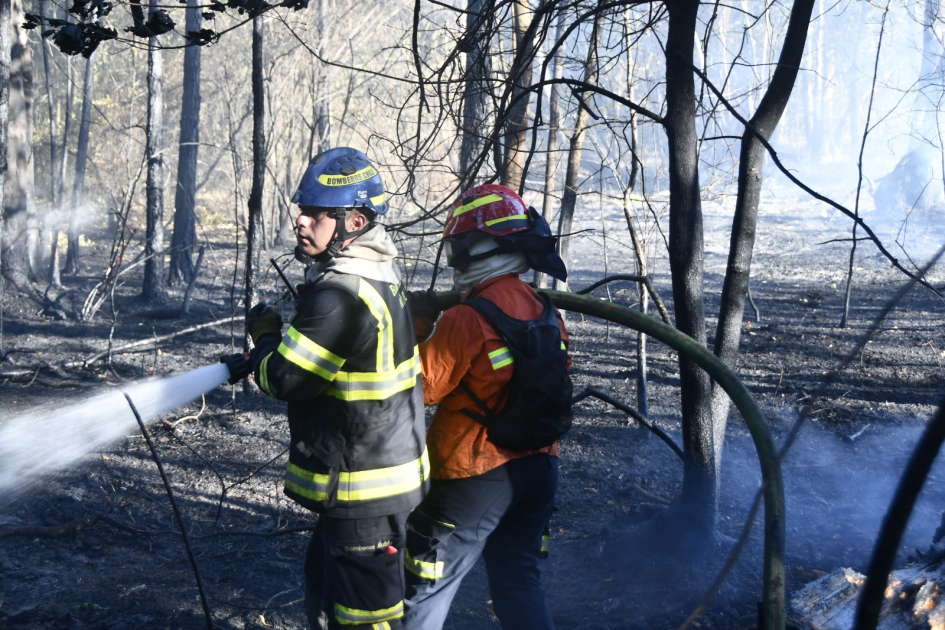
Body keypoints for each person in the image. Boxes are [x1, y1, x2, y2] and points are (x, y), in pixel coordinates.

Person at [232, 147, 429, 630]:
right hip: (370, 478)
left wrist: (264, 338)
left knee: (366, 620)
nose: (300, 220)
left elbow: (284, 377)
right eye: (302, 209)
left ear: (355, 221)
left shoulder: (342, 293)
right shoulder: (374, 273)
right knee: (327, 602)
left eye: (316, 212)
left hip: (364, 488)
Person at [402, 184, 570, 630]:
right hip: (540, 471)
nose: (455, 259)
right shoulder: (547, 311)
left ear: (483, 247)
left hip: (474, 476)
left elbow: (418, 389)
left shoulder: (466, 317)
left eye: (458, 249)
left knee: (425, 589)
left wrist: (418, 328)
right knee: (519, 581)